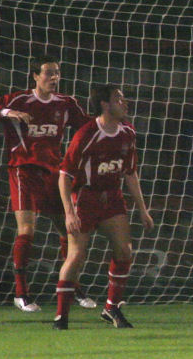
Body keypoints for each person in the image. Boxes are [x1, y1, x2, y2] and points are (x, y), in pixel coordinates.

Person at [0, 56, 97, 312]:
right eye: (48, 73)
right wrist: (6, 112)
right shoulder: (19, 100)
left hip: (54, 174)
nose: (54, 78)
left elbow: (87, 126)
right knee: (27, 231)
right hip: (23, 171)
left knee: (70, 231)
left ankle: (73, 287)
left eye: (57, 73)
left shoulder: (66, 103)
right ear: (35, 76)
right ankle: (21, 294)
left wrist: (109, 121)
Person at [53, 84, 154, 330]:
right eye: (119, 99)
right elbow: (64, 175)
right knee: (76, 255)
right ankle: (61, 317)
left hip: (112, 197)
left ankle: (112, 308)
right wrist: (69, 212)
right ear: (104, 105)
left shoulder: (127, 132)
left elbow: (130, 173)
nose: (125, 102)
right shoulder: (87, 133)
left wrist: (143, 209)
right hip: (85, 198)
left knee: (125, 250)